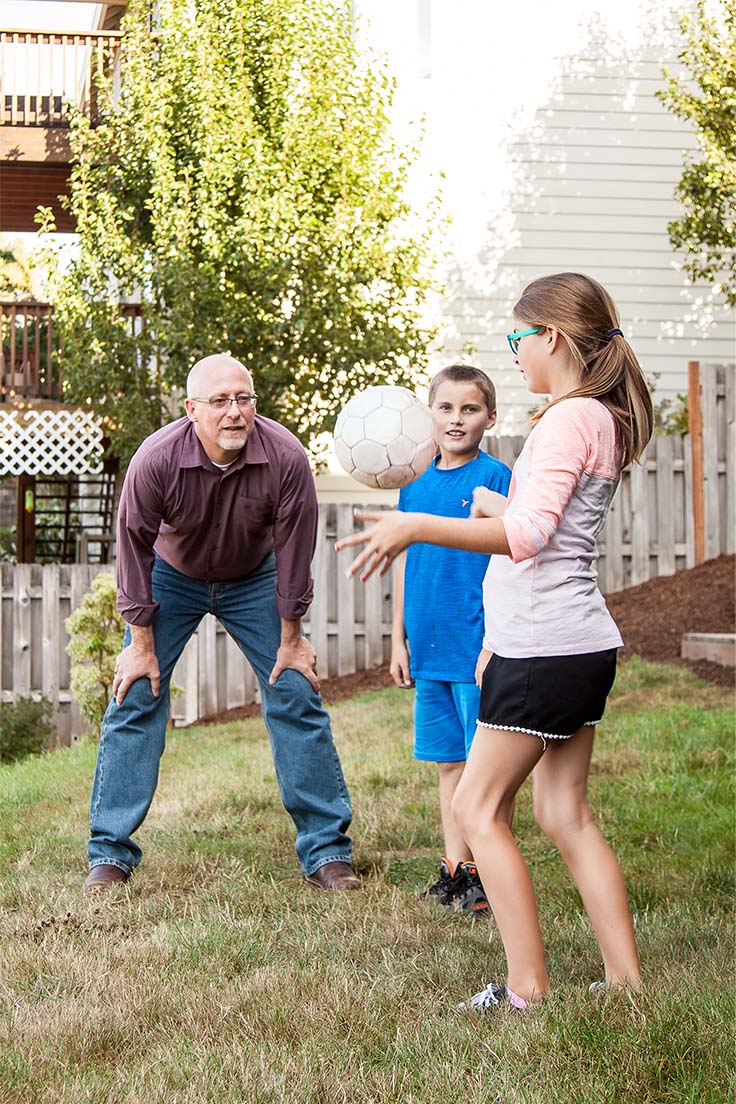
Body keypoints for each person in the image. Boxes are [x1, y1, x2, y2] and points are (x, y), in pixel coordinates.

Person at [337, 272, 653, 1008]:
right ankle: (626, 984)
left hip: (545, 648)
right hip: (577, 642)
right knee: (562, 813)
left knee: (478, 811)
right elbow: (551, 527)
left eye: (518, 339)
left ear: (551, 337)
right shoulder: (597, 416)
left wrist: (416, 524)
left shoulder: (565, 420)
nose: (513, 354)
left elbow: (529, 536)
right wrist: (494, 502)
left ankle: (525, 990)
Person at [84, 353, 359, 894]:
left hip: (254, 576)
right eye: (220, 401)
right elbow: (132, 549)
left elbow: (295, 551)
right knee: (136, 692)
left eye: (244, 399)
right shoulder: (155, 459)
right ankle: (109, 855)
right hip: (172, 575)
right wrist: (140, 642)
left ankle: (327, 850)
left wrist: (292, 639)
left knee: (295, 691)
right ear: (192, 410)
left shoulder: (284, 456)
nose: (235, 412)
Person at [390, 365, 511, 914]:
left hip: (477, 646)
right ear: (429, 413)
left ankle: (490, 872)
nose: (456, 419)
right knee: (447, 765)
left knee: (485, 771)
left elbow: (511, 561)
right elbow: (401, 559)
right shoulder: (412, 478)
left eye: (470, 409)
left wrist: (497, 639)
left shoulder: (496, 478)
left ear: (490, 416)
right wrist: (399, 640)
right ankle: (456, 869)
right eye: (446, 408)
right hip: (430, 644)